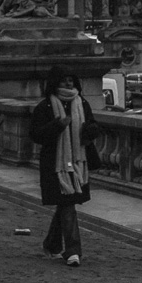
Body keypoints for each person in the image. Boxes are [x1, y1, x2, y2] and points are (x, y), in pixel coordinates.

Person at [29, 68, 101, 267]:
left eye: (71, 80)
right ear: (55, 84)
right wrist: (57, 126)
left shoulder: (82, 103)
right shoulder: (45, 107)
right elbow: (35, 134)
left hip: (78, 162)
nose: (69, 84)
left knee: (65, 204)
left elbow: (93, 125)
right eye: (64, 81)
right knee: (67, 204)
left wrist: (91, 129)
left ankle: (52, 244)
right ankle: (73, 251)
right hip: (56, 164)